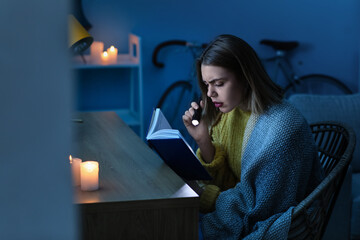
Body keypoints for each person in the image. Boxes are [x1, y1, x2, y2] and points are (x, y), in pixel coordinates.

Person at [182, 34, 324, 239]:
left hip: (290, 228)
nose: (210, 93)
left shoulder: (283, 128)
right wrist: (203, 140)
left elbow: (261, 208)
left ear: (246, 77)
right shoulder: (229, 113)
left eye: (219, 83)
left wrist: (205, 197)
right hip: (231, 208)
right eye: (206, 85)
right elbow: (228, 183)